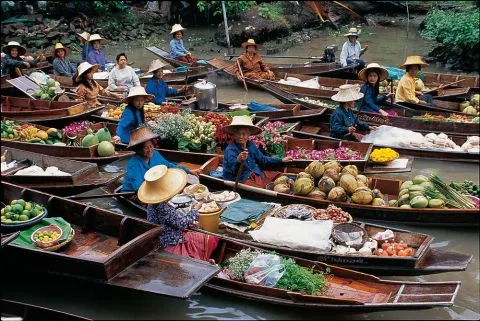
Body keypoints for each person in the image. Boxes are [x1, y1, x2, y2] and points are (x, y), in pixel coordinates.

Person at [139, 164, 218, 261]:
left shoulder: (153, 203)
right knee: (210, 238)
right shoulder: (162, 207)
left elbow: (172, 219)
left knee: (207, 237)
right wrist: (195, 210)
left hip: (166, 234)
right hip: (169, 241)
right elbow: (182, 224)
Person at [121, 126, 202, 193]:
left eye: (151, 146)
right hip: (134, 193)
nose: (150, 150)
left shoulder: (155, 154)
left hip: (152, 188)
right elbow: (138, 188)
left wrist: (189, 171)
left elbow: (169, 166)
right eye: (146, 148)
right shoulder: (134, 164)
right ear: (138, 150)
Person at [222, 116, 292, 188]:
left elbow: (262, 159)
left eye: (244, 133)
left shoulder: (250, 145)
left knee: (280, 176)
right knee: (260, 188)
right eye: (238, 133)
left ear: (249, 134)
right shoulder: (230, 149)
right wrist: (238, 160)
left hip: (255, 173)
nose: (241, 136)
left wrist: (281, 160)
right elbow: (234, 170)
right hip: (240, 179)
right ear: (234, 134)